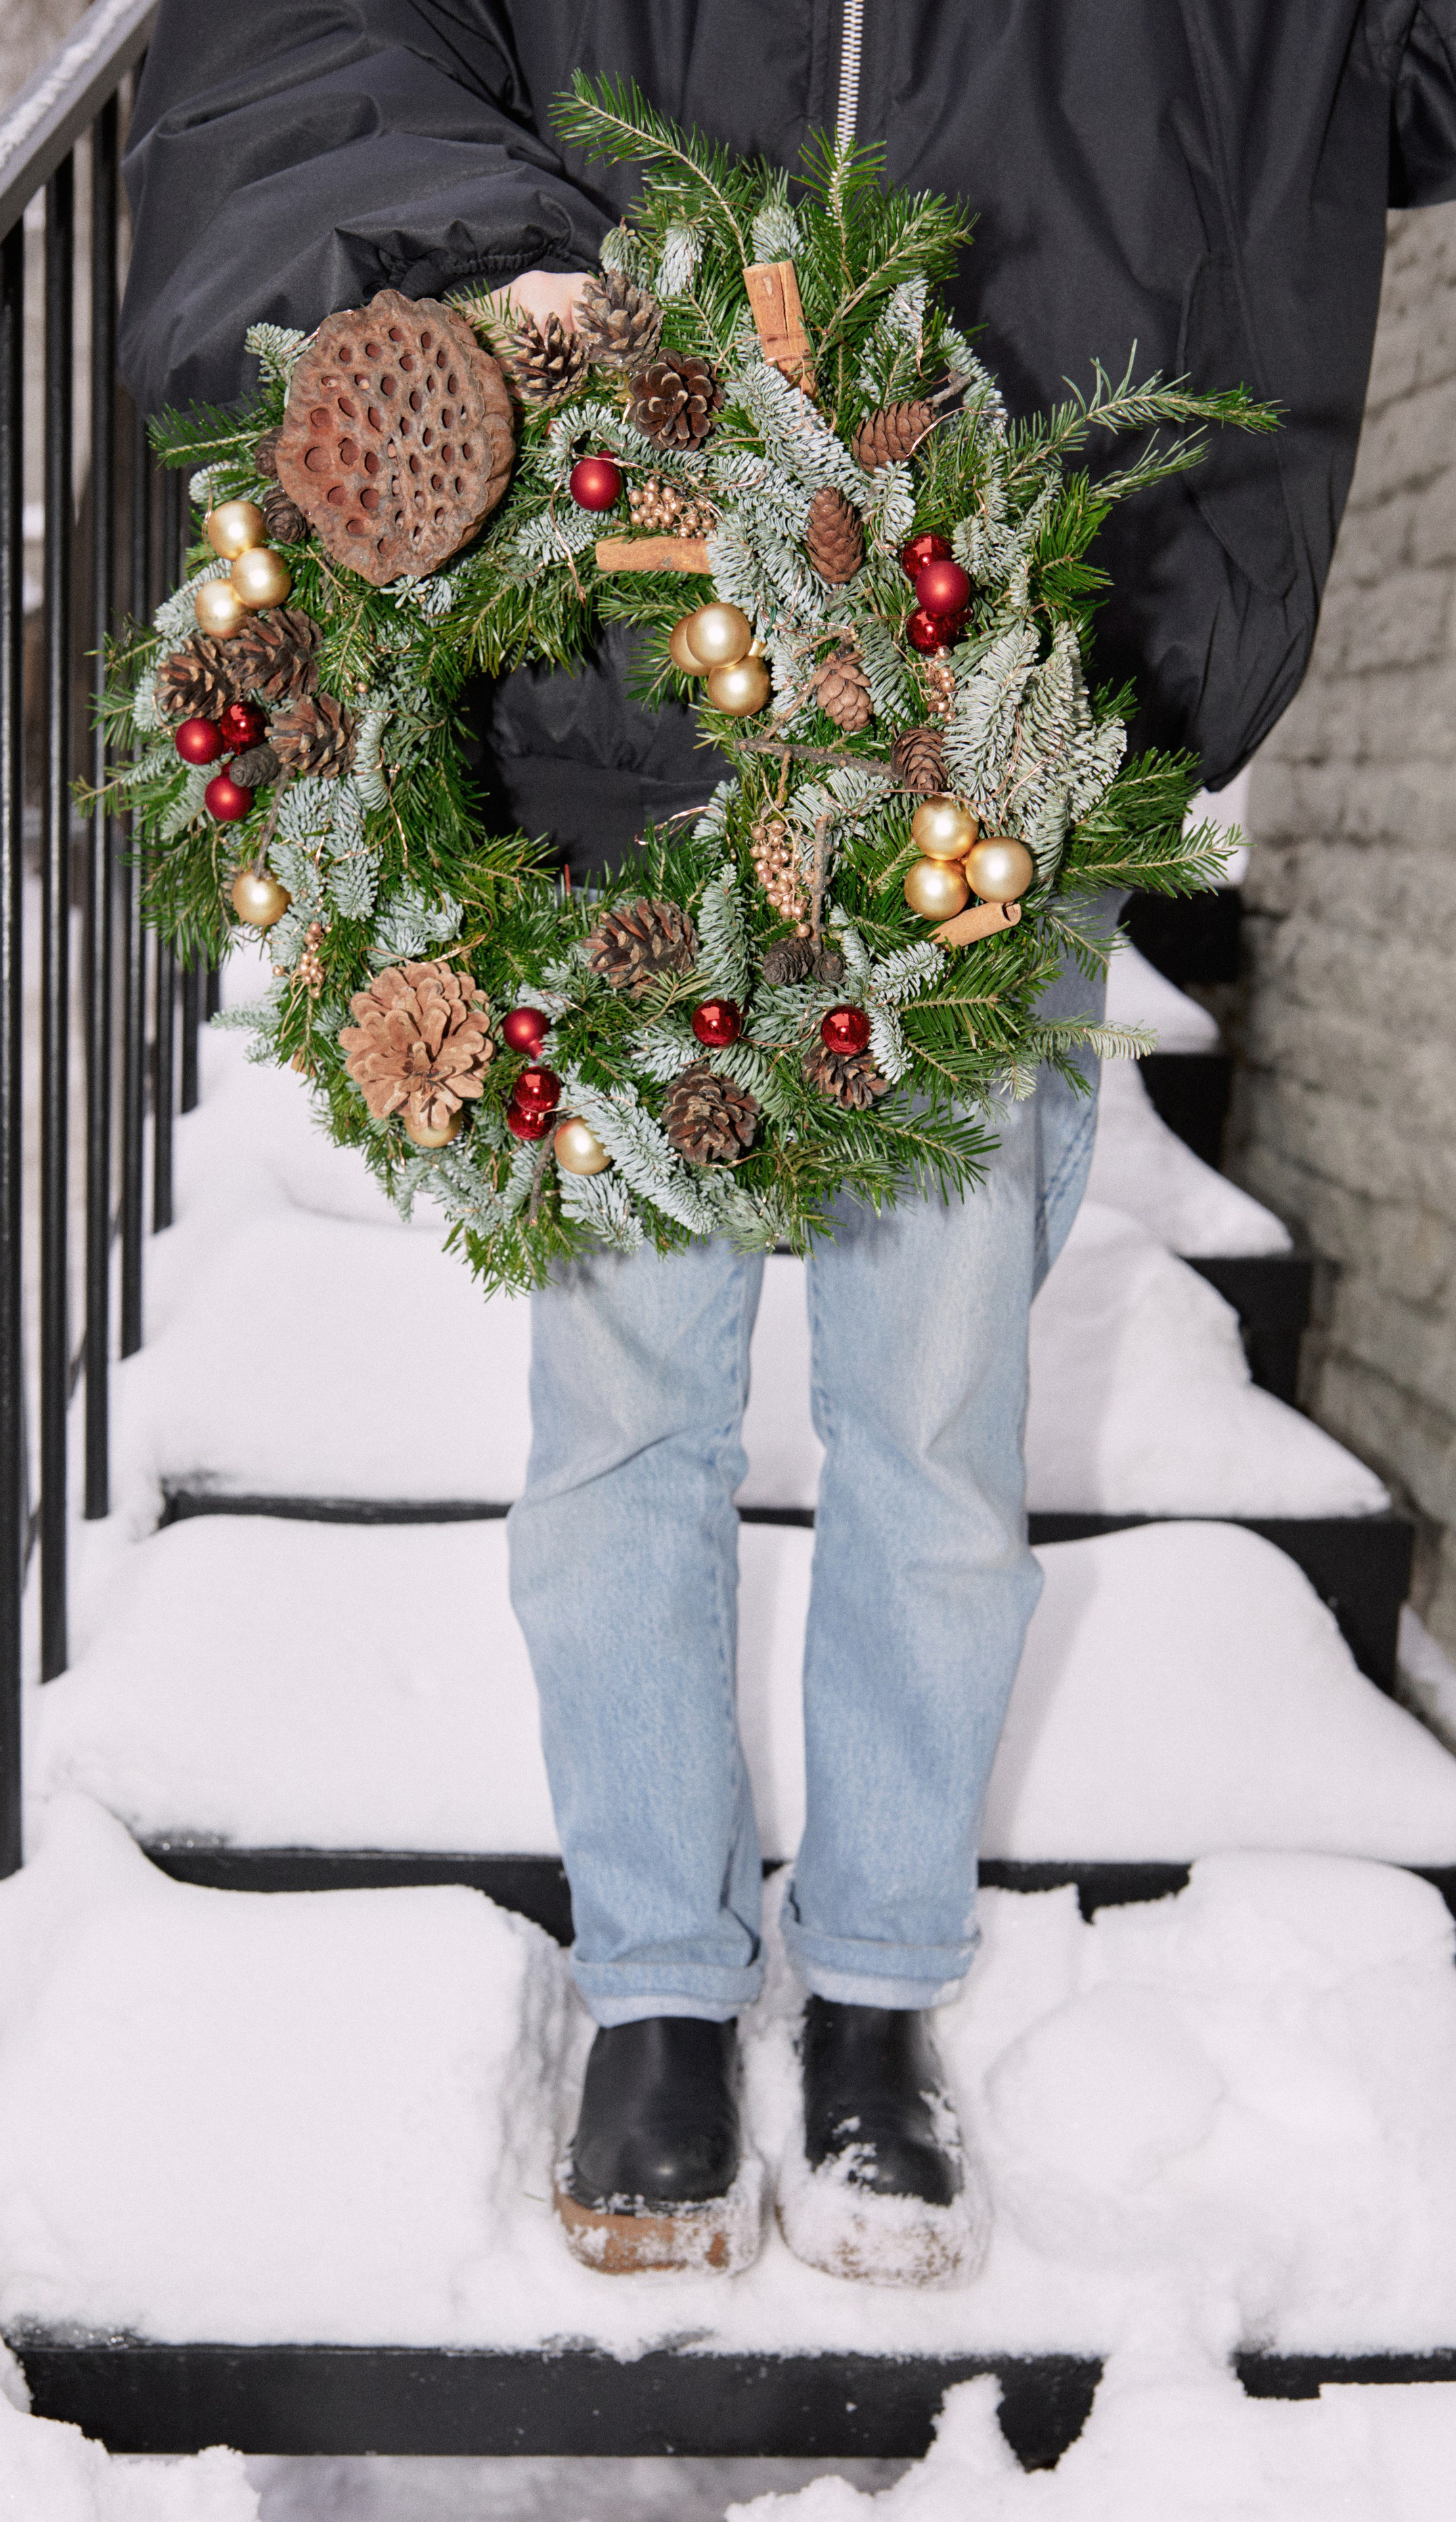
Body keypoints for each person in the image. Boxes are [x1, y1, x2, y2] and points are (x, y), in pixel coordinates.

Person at [121, 0, 1456, 2285]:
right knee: (623, 1411)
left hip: (983, 682)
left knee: (932, 1429)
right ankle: (655, 1985)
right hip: (605, 685)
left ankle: (877, 1990)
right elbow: (305, 42)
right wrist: (480, 280)